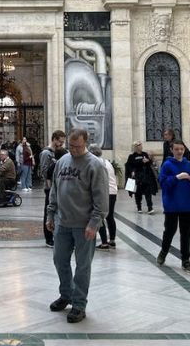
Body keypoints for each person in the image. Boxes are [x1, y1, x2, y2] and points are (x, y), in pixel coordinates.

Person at [46, 128, 108, 324]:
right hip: (62, 222)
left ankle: (79, 305)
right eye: (70, 146)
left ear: (85, 143)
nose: (73, 150)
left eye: (77, 146)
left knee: (82, 266)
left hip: (84, 226)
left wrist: (94, 223)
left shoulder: (95, 165)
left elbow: (101, 198)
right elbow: (55, 190)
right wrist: (50, 214)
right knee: (59, 260)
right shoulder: (63, 161)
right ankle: (66, 294)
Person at [157, 140, 190, 273]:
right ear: (172, 150)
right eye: (177, 149)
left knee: (185, 234)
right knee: (169, 231)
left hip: (187, 205)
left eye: (182, 149)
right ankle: (163, 252)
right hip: (172, 205)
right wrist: (177, 177)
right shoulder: (167, 165)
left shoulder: (188, 164)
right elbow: (163, 184)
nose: (180, 151)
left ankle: (185, 260)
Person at [40, 130, 67, 247]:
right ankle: (49, 238)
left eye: (63, 143)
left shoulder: (59, 152)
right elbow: (45, 171)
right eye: (60, 142)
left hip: (59, 186)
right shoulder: (46, 153)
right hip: (50, 187)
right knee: (49, 211)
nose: (61, 145)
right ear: (54, 139)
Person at [90, 144, 117, 250]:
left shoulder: (95, 163)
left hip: (104, 192)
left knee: (100, 217)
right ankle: (112, 240)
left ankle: (104, 242)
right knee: (110, 216)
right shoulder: (107, 162)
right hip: (113, 192)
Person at [125, 141, 157, 214]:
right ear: (135, 147)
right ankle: (139, 207)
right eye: (138, 145)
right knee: (138, 193)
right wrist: (141, 162)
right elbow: (130, 165)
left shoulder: (145, 154)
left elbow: (149, 163)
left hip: (146, 176)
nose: (140, 146)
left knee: (148, 192)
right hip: (137, 177)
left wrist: (148, 160)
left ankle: (150, 207)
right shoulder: (132, 156)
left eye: (141, 145)